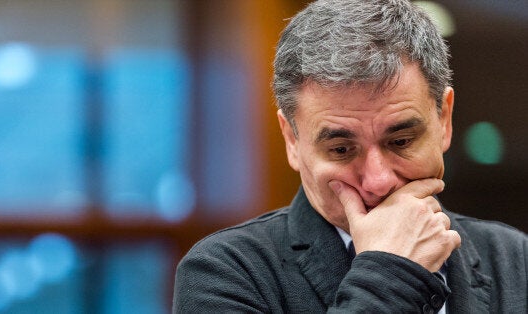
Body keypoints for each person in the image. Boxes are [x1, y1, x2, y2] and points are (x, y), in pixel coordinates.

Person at [173, 0, 527, 313]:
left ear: (444, 121)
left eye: (401, 141)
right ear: (292, 140)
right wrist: (391, 273)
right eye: (342, 150)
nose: (379, 181)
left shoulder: (514, 260)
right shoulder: (226, 273)